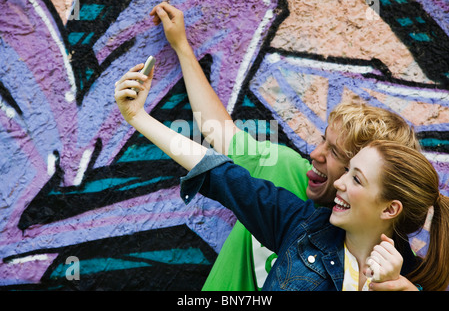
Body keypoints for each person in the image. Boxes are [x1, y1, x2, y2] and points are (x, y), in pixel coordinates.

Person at [148, 3, 423, 290]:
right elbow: (218, 131)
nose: (315, 154)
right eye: (322, 141)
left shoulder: (394, 267)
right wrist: (181, 46)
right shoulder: (283, 168)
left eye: (335, 153)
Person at [114, 68, 449, 290]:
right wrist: (138, 117)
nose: (341, 183)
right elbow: (217, 170)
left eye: (355, 177)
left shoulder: (407, 281)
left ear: (390, 209)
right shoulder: (299, 224)